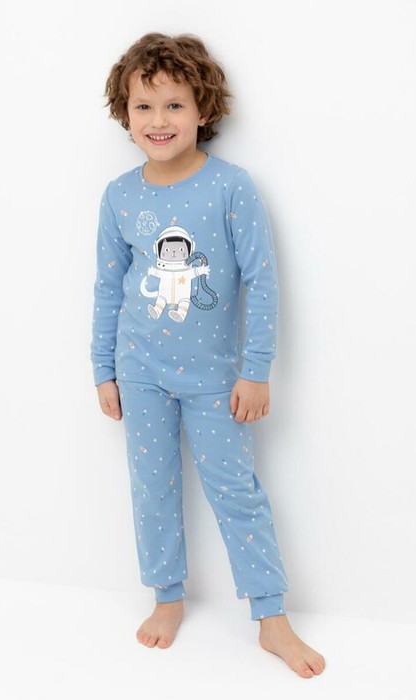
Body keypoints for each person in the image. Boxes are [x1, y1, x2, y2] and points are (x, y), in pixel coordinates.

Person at [90, 32, 325, 678]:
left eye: (174, 105)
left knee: (235, 490)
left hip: (216, 380)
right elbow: (108, 287)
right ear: (125, 114)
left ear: (203, 110)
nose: (158, 120)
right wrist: (103, 369)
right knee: (152, 488)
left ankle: (271, 616)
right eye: (144, 106)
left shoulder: (231, 188)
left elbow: (262, 282)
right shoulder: (119, 196)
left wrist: (256, 371)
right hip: (140, 373)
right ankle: (166, 596)